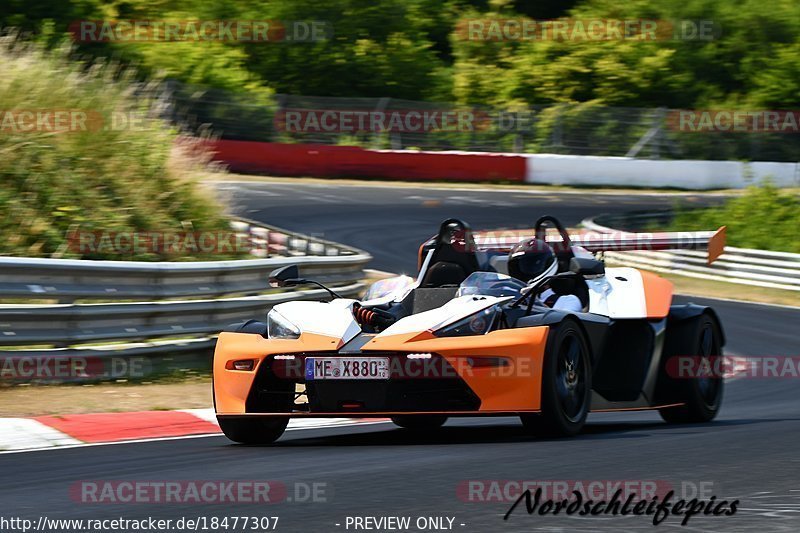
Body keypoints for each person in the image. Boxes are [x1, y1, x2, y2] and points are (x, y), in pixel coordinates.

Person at [507, 238, 583, 313]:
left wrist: (532, 302)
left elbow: (560, 321)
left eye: (530, 265)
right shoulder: (508, 300)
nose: (522, 271)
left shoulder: (568, 301)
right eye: (518, 267)